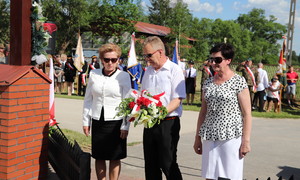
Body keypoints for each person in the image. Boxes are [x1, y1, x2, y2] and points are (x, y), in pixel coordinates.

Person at [193, 43, 252, 180]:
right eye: (211, 59)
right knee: (210, 176)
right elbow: (203, 112)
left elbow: (247, 114)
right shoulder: (208, 83)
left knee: (229, 177)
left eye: (217, 60)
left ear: (228, 60)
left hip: (231, 137)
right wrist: (197, 138)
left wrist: (246, 141)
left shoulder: (238, 81)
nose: (213, 63)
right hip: (209, 135)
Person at [82, 43, 131, 180]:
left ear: (118, 60)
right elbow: (88, 99)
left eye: (114, 60)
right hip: (98, 120)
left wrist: (125, 125)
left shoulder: (124, 76)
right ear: (101, 60)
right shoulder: (93, 74)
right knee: (99, 156)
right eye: (107, 60)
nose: (110, 63)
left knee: (115, 157)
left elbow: (128, 103)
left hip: (116, 122)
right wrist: (86, 121)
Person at [141, 36, 186, 180]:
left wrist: (160, 113)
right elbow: (144, 94)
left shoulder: (174, 70)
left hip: (168, 122)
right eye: (144, 55)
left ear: (160, 52)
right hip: (149, 123)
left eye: (149, 55)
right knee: (151, 165)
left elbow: (177, 99)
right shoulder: (148, 71)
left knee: (168, 163)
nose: (147, 59)